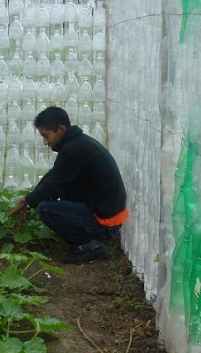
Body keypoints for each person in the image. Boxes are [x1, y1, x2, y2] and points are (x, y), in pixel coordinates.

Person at [9, 106, 128, 263]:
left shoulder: (73, 150)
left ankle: (91, 247)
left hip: (107, 222)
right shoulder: (78, 144)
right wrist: (28, 199)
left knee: (46, 209)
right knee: (55, 198)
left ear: (60, 129)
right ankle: (89, 240)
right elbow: (53, 176)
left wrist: (30, 201)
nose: (45, 142)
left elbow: (54, 186)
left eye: (46, 136)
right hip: (108, 212)